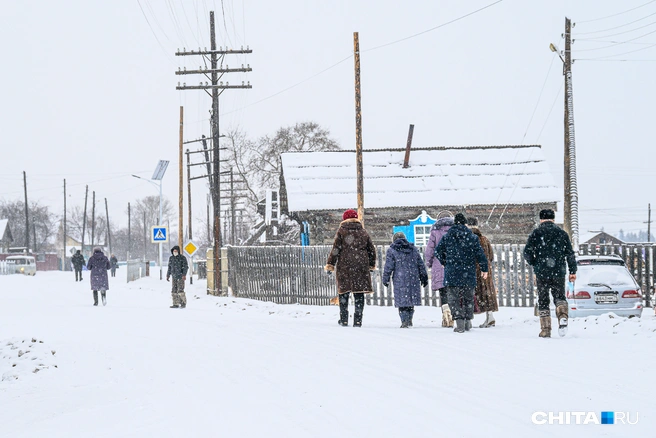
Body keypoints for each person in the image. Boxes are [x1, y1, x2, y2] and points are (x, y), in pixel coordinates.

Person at [524, 209, 577, 338]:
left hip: (542, 272)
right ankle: (563, 316)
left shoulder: (536, 233)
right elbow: (570, 253)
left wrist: (535, 262)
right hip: (558, 271)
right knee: (559, 296)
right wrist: (572, 271)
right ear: (553, 219)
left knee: (543, 299)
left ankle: (545, 329)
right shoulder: (562, 233)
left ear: (541, 219)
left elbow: (527, 252)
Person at [435, 213, 489, 333]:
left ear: (454, 223)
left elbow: (438, 251)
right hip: (468, 272)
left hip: (452, 272)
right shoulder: (472, 237)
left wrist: (445, 261)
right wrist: (484, 269)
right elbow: (480, 255)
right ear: (465, 224)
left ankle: (459, 322)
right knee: (468, 298)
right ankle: (467, 321)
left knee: (453, 298)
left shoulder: (447, 236)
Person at [325, 209, 376, 327]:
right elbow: (371, 250)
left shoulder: (341, 231)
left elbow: (335, 249)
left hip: (345, 266)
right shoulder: (363, 232)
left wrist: (330, 265)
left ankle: (344, 319)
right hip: (360, 266)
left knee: (344, 293)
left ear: (344, 219)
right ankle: (358, 320)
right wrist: (371, 265)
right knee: (359, 294)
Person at [383, 232, 428, 328]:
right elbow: (420, 264)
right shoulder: (413, 249)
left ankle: (404, 320)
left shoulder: (392, 250)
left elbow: (388, 266)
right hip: (413, 277)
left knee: (402, 300)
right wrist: (424, 277)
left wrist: (385, 279)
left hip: (400, 278)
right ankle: (409, 319)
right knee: (410, 299)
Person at [424, 212, 455, 327]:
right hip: (453, 264)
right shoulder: (455, 230)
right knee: (453, 292)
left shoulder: (435, 231)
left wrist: (430, 263)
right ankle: (452, 314)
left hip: (439, 264)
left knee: (443, 292)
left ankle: (445, 315)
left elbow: (429, 250)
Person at [467, 217, 498, 328]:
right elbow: (491, 256)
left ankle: (468, 319)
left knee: (470, 294)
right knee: (486, 293)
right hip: (485, 271)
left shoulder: (467, 238)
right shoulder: (484, 239)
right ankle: (490, 316)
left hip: (471, 270)